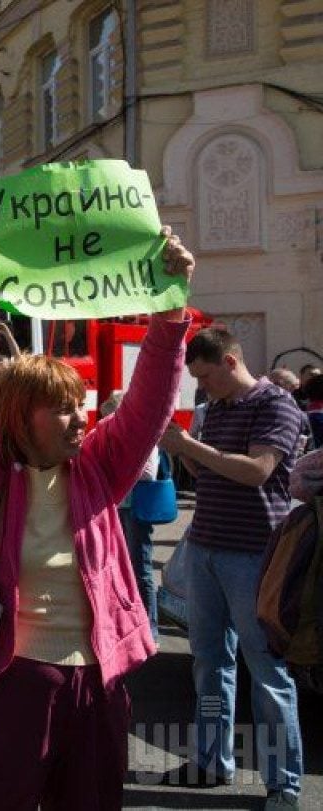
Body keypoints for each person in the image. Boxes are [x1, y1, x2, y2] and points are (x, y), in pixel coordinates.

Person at [0, 229, 195, 808]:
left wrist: (171, 310)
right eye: (61, 408)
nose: (80, 418)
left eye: (79, 404)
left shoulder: (99, 468)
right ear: (19, 417)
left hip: (98, 683)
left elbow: (148, 403)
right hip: (12, 683)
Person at [158, 326, 306, 807]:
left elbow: (257, 470)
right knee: (210, 663)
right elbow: (214, 472)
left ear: (230, 362)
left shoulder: (276, 404)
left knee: (267, 672)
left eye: (205, 377)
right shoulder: (218, 408)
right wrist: (182, 449)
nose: (202, 388)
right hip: (206, 548)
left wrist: (188, 448)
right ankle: (210, 760)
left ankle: (284, 784)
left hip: (253, 555)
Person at [100, 391, 162, 643]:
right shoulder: (119, 436)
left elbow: (148, 474)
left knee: (141, 568)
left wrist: (115, 467)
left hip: (136, 509)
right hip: (120, 508)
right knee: (120, 568)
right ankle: (128, 624)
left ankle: (151, 628)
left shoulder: (143, 436)